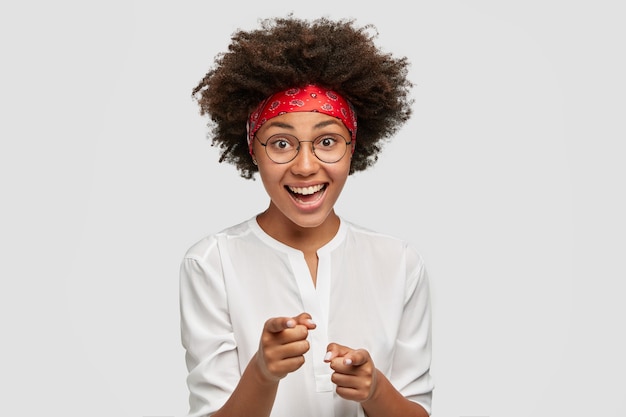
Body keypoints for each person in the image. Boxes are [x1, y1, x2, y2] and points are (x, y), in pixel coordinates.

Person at [180, 16, 434, 417]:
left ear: (354, 147)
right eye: (281, 143)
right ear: (252, 150)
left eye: (327, 141)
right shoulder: (211, 264)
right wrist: (262, 373)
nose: (304, 166)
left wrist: (375, 390)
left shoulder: (400, 263)